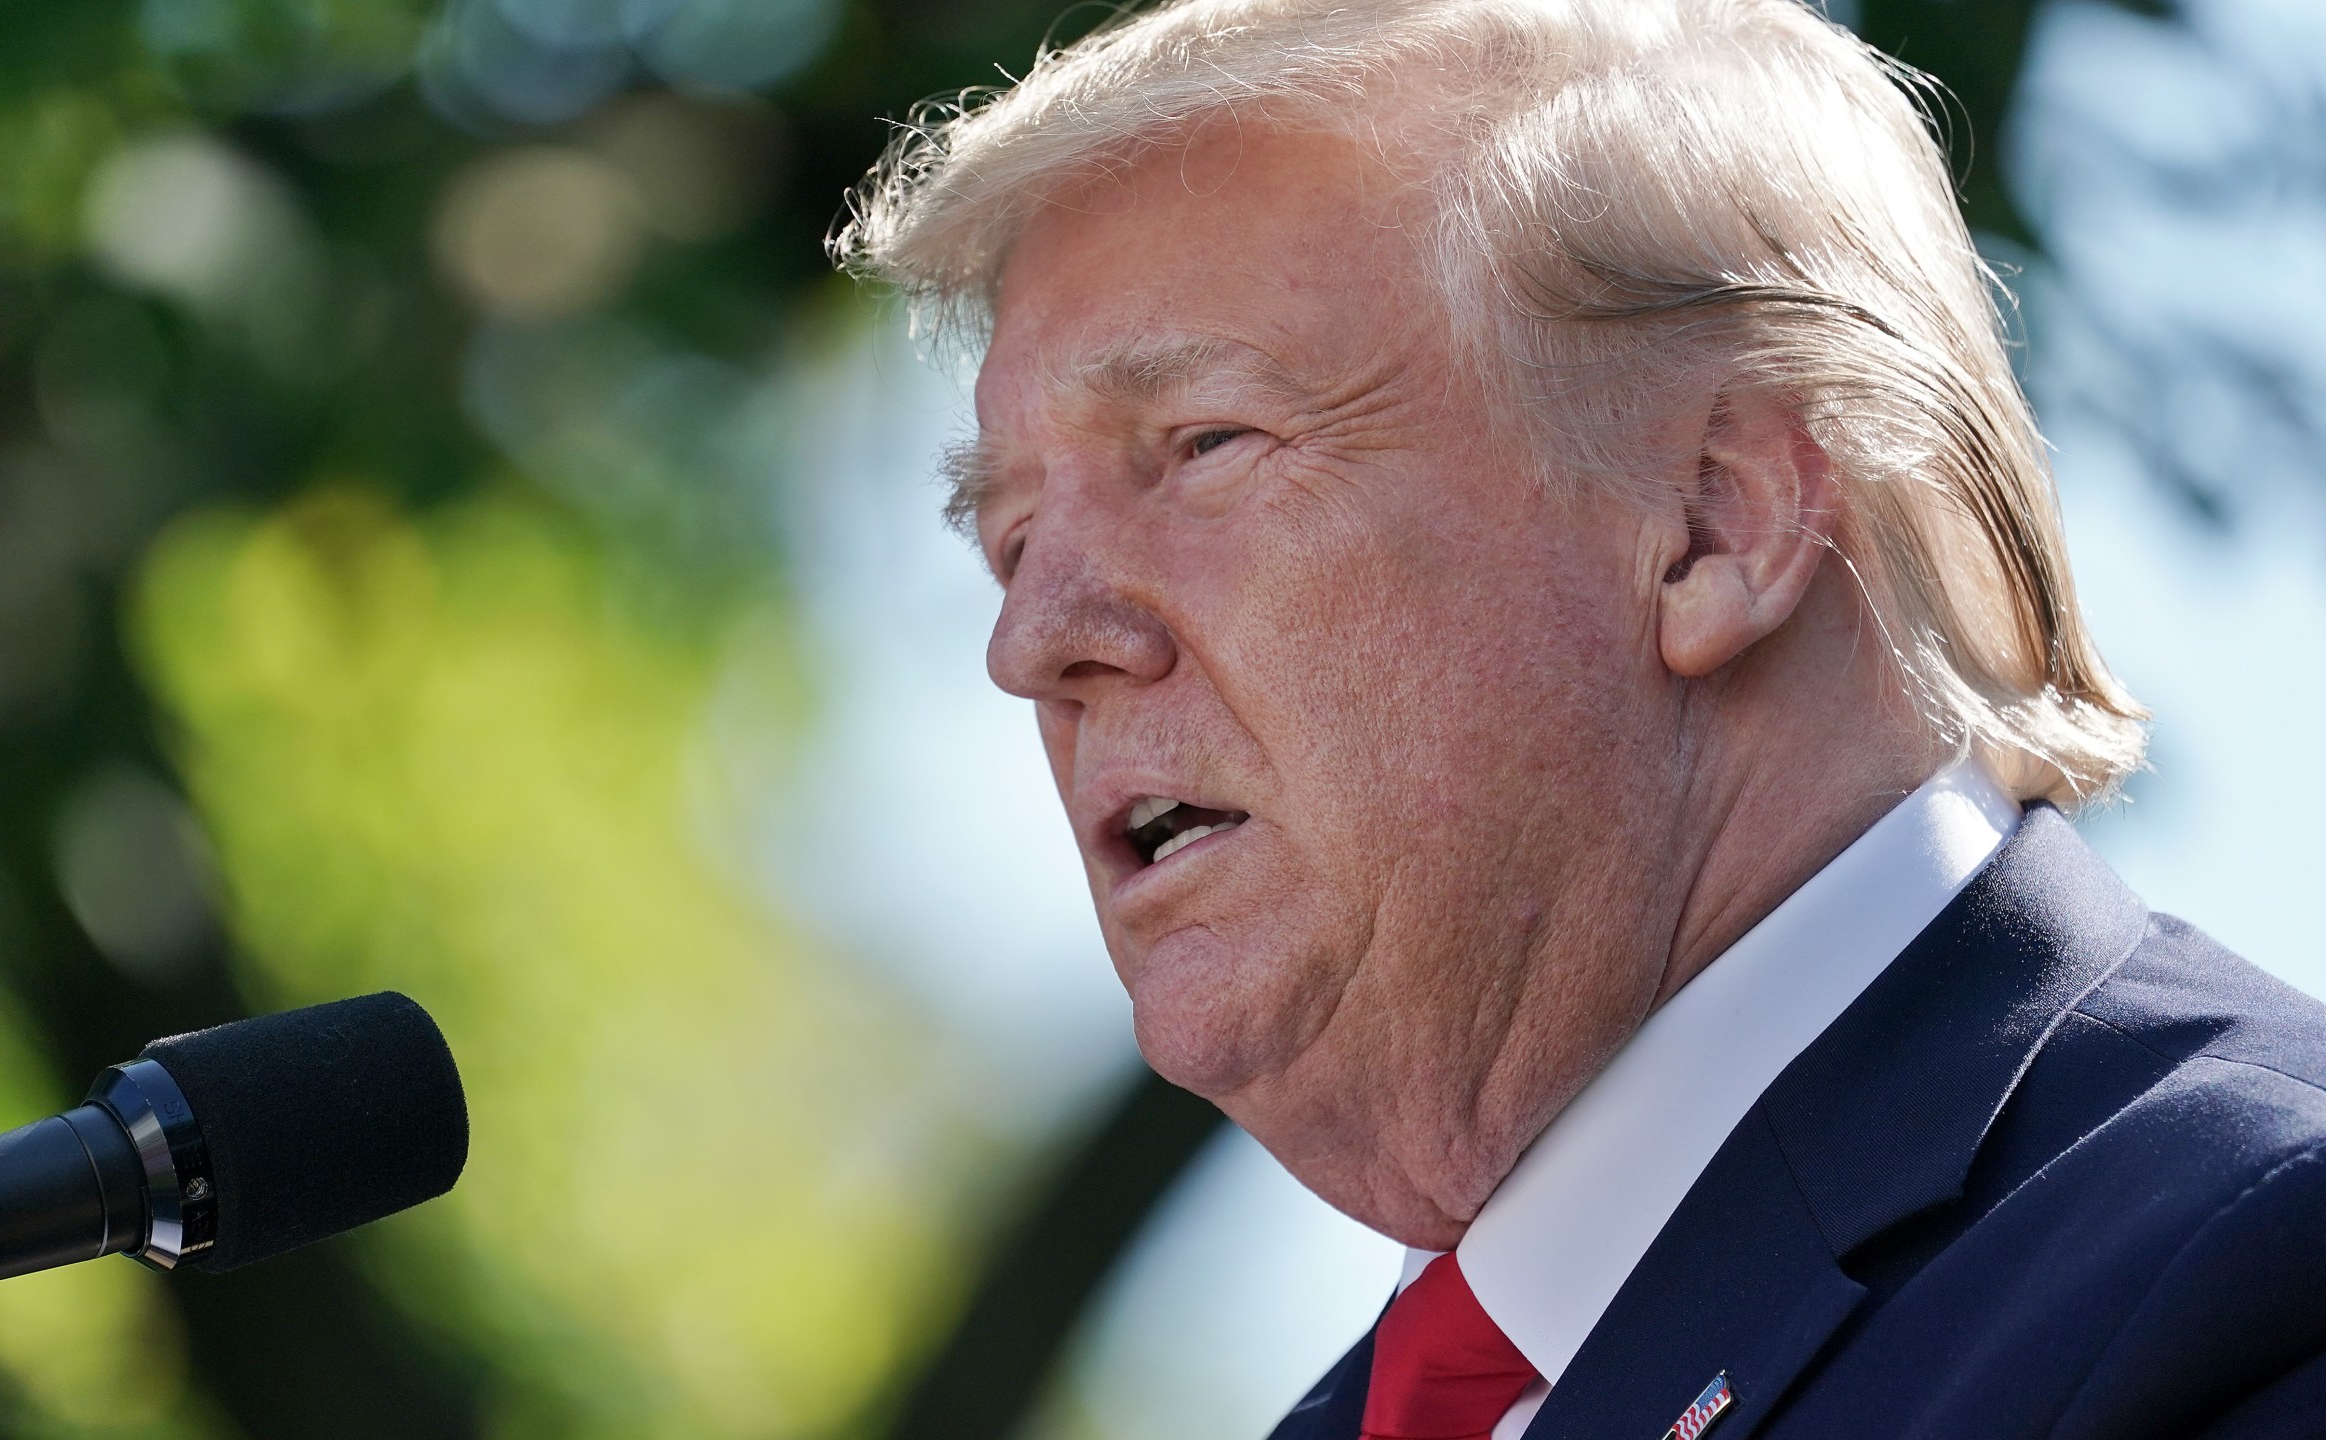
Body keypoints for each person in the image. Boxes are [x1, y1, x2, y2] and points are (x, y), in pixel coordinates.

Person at [834, 0, 2326, 1435]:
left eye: (1204, 444)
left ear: (1713, 525)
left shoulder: (2260, 1268)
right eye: (1013, 539)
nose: (1034, 642)